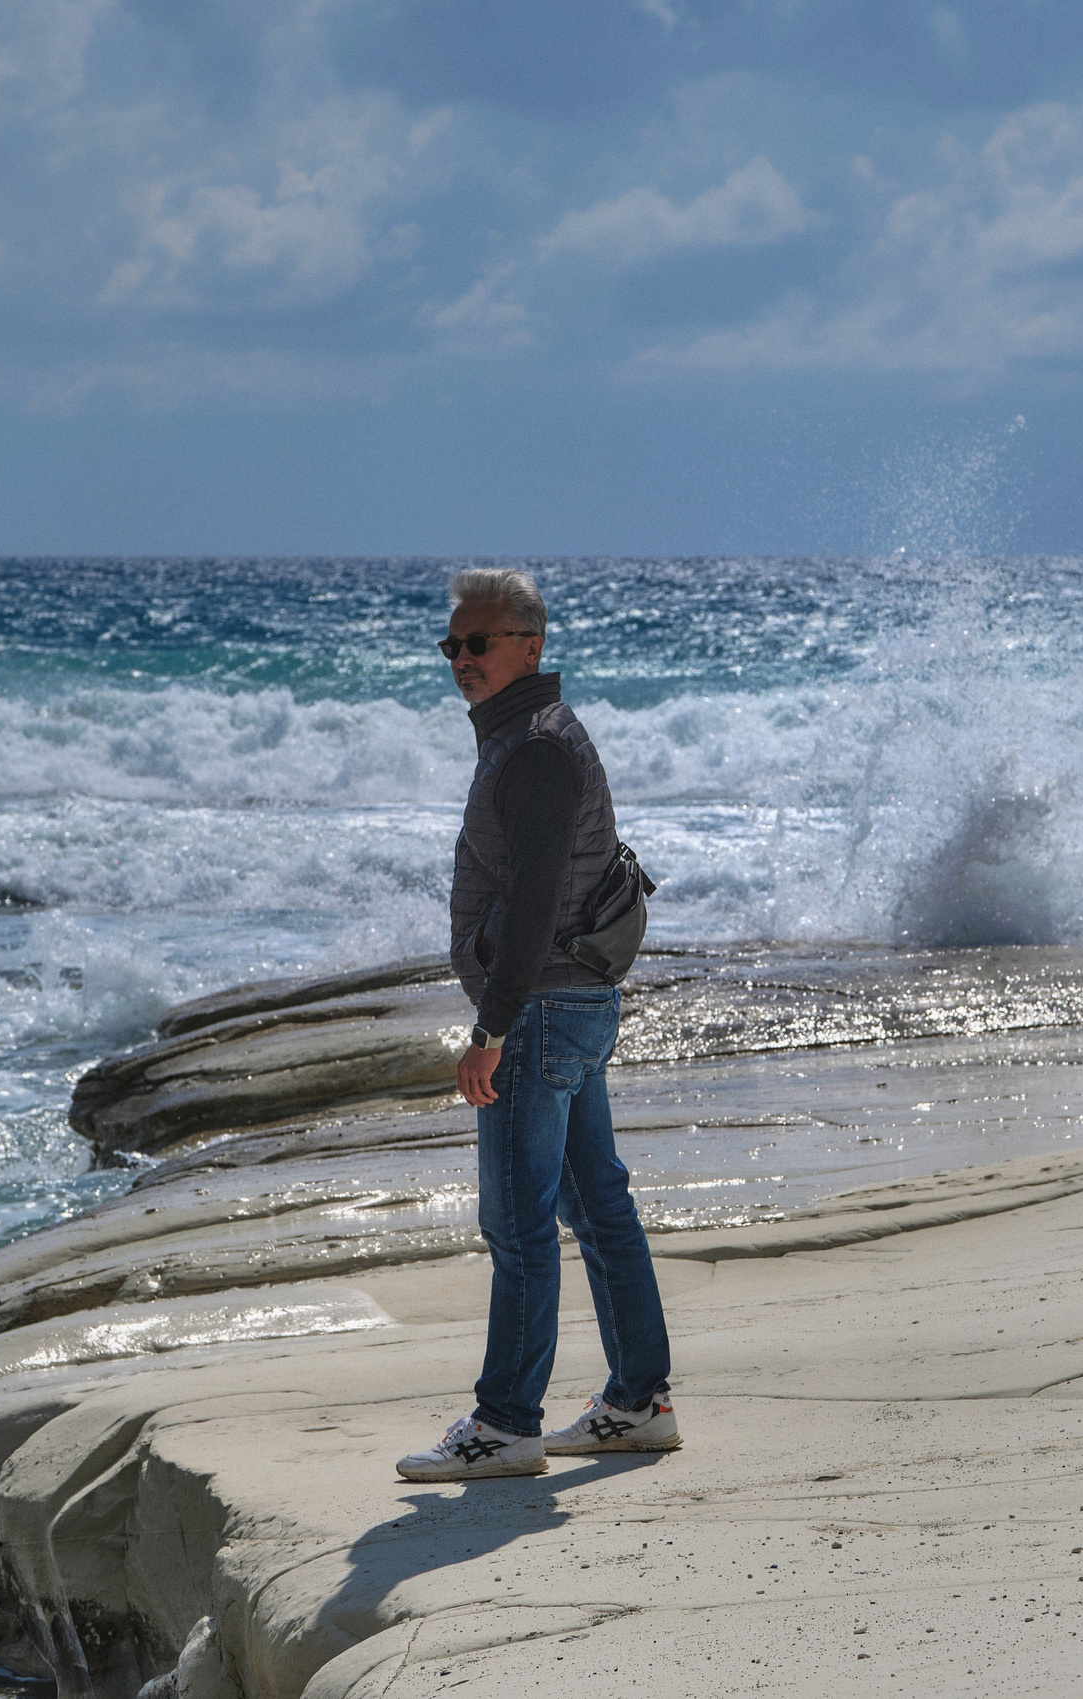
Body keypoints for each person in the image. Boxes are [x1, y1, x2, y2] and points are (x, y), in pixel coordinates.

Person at [396, 569, 680, 1481]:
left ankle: (507, 1420)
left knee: (520, 1224)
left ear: (531, 644)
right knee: (597, 1204)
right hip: (568, 1005)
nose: (462, 661)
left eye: (478, 644)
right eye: (452, 646)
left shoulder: (537, 750)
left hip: (543, 1012)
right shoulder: (525, 741)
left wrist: (493, 1026)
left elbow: (532, 909)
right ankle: (639, 1400)